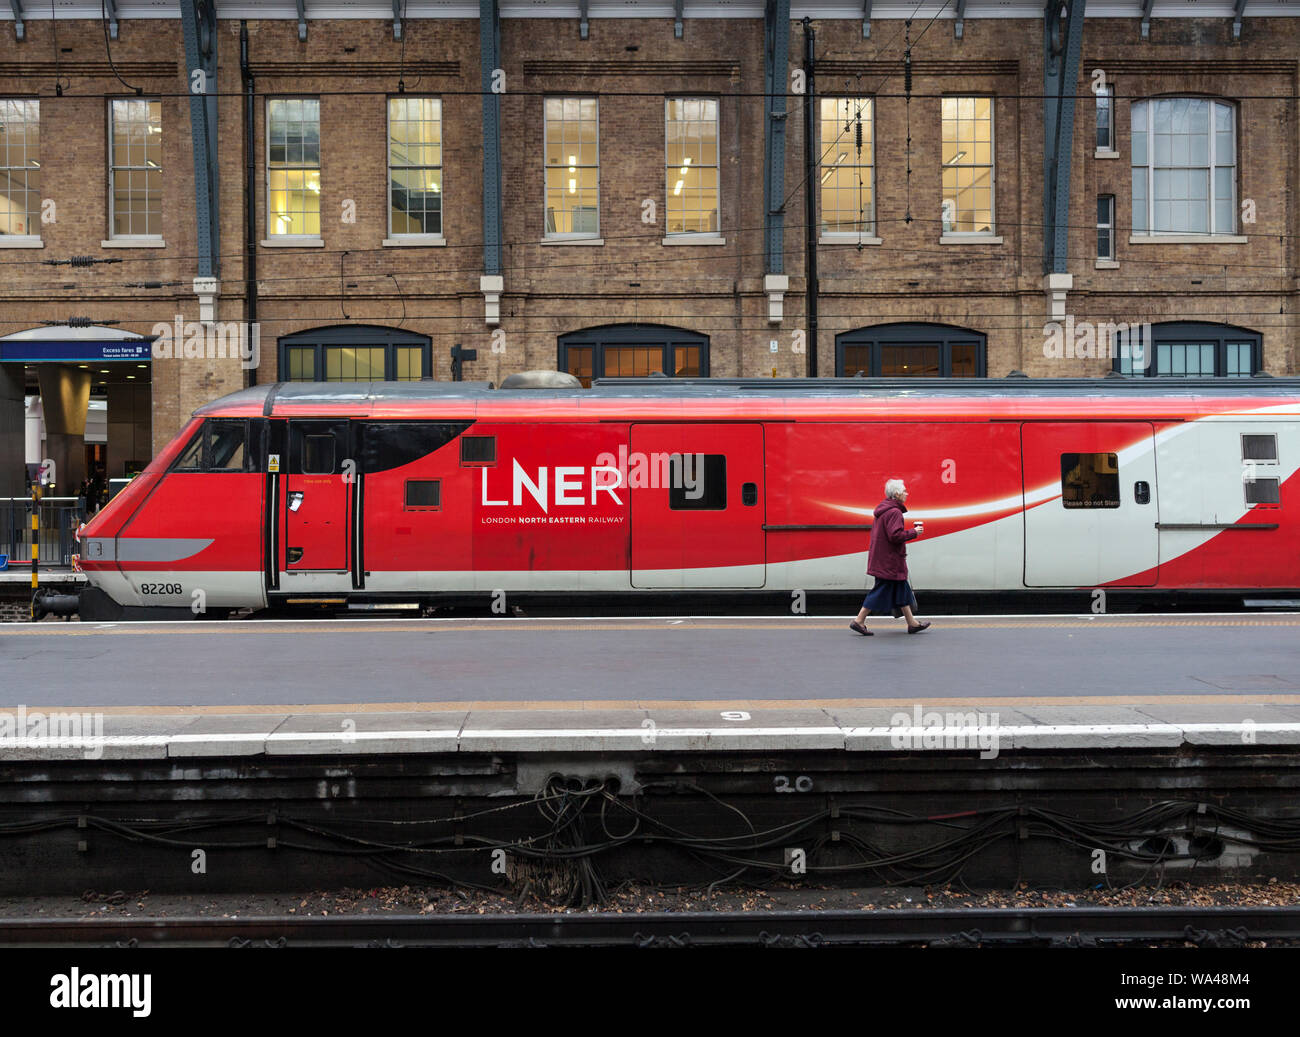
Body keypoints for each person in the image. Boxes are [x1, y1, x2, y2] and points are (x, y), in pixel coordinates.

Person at [849, 478, 931, 636]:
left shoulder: (884, 510)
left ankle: (912, 623)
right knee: (881, 589)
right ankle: (859, 621)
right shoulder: (894, 512)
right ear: (897, 494)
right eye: (905, 491)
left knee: (901, 588)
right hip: (889, 561)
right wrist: (914, 532)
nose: (907, 494)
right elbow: (895, 535)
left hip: (885, 559)